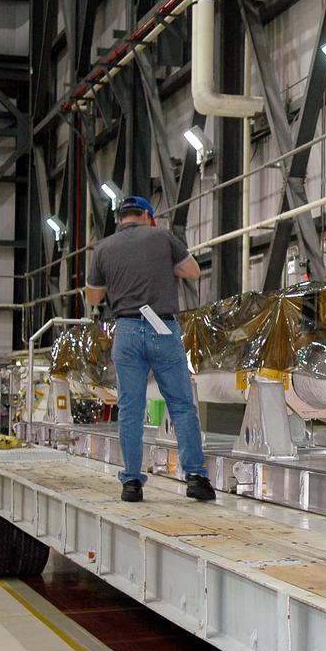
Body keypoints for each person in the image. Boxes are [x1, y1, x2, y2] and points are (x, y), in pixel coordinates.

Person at [85, 196, 214, 503]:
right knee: (181, 405)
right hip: (163, 328)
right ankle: (195, 476)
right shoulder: (162, 237)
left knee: (130, 409)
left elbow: (93, 297)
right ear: (146, 215)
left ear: (121, 218)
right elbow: (193, 272)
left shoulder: (103, 248)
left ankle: (131, 482)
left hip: (127, 330)